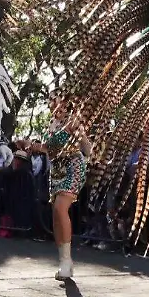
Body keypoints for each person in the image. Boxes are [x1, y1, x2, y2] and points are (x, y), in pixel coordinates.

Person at [46, 100, 91, 281]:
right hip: (56, 171)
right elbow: (49, 151)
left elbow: (87, 150)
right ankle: (65, 261)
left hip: (73, 167)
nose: (55, 106)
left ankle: (66, 263)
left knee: (60, 208)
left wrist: (79, 132)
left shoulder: (73, 122)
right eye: (52, 103)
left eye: (59, 103)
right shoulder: (50, 126)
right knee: (55, 216)